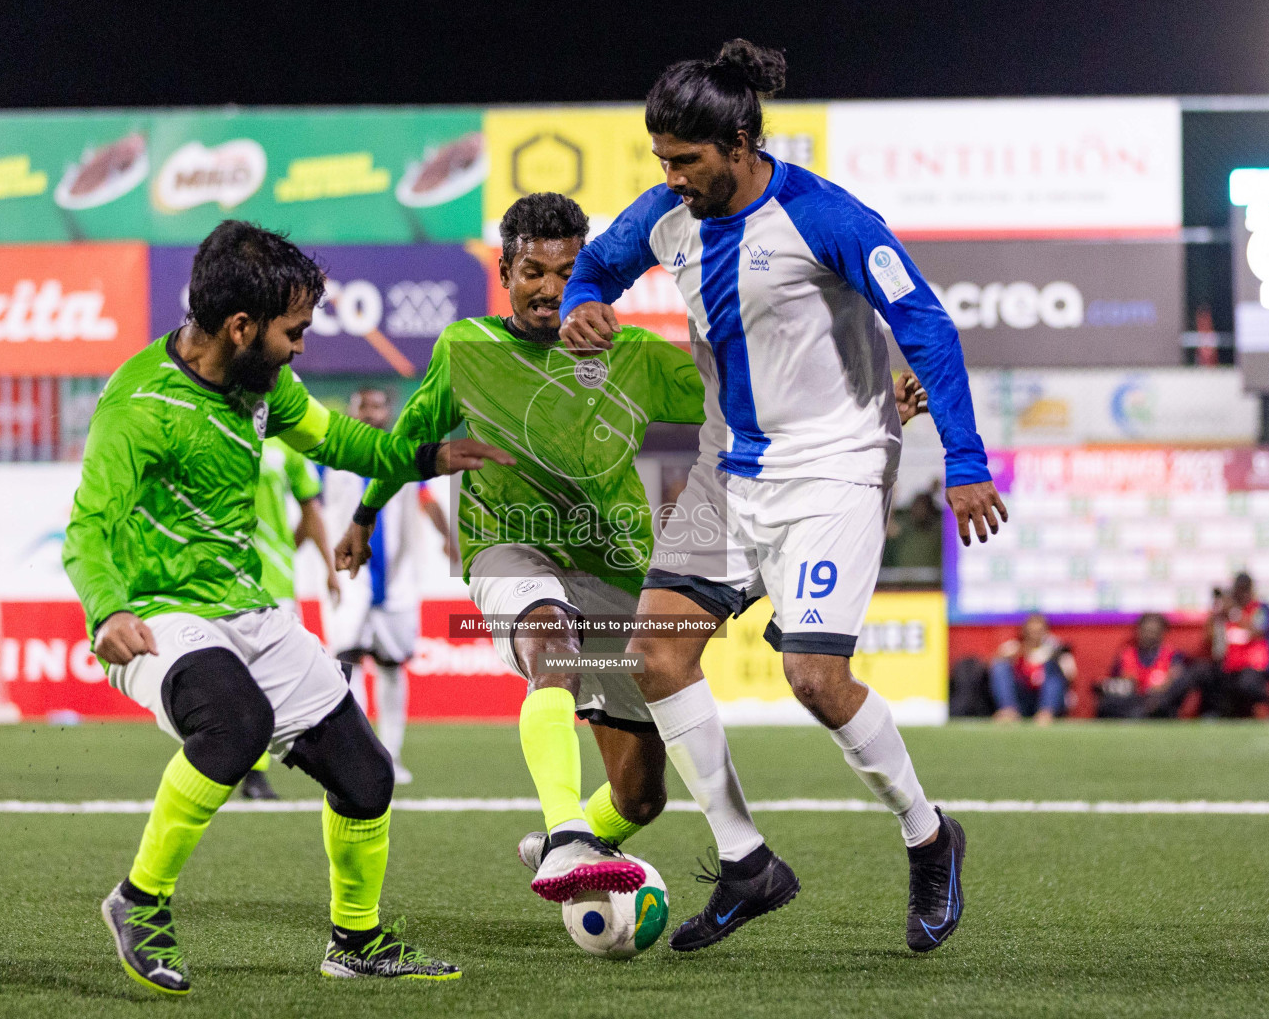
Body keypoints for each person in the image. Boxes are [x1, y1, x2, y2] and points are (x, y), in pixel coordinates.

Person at [337, 193, 937, 910]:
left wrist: (856, 410)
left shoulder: (633, 357)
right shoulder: (464, 350)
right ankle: (563, 836)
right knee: (551, 648)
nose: (550, 289)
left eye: (566, 272)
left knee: (640, 796)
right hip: (513, 548)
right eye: (533, 270)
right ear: (505, 271)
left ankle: (577, 837)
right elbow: (409, 444)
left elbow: (743, 400)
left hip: (617, 566)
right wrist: (365, 515)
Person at [556, 39, 1005, 954]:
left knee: (814, 678)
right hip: (730, 468)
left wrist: (963, 460)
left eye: (687, 160)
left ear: (742, 140)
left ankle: (929, 834)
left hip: (835, 467)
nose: (672, 176)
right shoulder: (666, 213)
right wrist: (578, 305)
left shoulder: (823, 215)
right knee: (657, 655)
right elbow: (598, 265)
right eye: (661, 160)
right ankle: (746, 860)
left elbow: (919, 317)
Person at [62, 220, 512, 993]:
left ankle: (356, 942)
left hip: (244, 607)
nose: (303, 347)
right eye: (294, 332)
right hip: (154, 616)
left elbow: (339, 440)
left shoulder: (260, 381)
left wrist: (425, 457)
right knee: (236, 724)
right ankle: (139, 901)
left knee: (367, 777)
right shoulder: (138, 408)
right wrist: (107, 613)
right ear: (241, 328)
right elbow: (87, 529)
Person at [336, 386, 457, 785]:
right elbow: (311, 506)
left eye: (377, 406)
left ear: (389, 413)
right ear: (353, 411)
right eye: (363, 406)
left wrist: (448, 537)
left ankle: (390, 755)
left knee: (391, 666)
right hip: (348, 579)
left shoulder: (404, 455)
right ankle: (353, 756)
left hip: (398, 581)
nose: (370, 414)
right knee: (345, 665)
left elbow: (426, 499)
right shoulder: (336, 458)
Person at [238, 436, 341, 800]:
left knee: (268, 681)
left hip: (274, 583)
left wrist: (329, 567)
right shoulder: (211, 427)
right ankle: (236, 767)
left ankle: (255, 773)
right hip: (217, 581)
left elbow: (310, 510)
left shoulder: (287, 446)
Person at [1202, 573, 1269, 718]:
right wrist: (1216, 613)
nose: (1242, 594)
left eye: (1245, 590)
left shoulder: (1260, 609)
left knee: (1246, 683)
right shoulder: (1226, 612)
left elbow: (1257, 631)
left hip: (1255, 666)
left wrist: (1234, 613)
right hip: (1230, 666)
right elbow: (1211, 639)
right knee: (1205, 674)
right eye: (1239, 590)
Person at [1095, 613, 1194, 719]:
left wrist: (1163, 687)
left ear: (1162, 633)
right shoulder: (1127, 654)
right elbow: (1115, 681)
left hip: (1159, 700)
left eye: (1153, 632)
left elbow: (1177, 682)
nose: (1149, 635)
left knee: (1161, 703)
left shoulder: (1173, 655)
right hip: (1133, 700)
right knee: (1107, 703)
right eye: (1145, 631)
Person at [989, 613, 1074, 724]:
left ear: (1046, 632)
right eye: (1031, 631)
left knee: (1053, 669)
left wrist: (1056, 660)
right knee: (1001, 666)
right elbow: (993, 668)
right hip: (1020, 698)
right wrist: (1016, 656)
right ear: (1024, 631)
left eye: (1039, 631)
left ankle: (1046, 713)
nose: (1035, 635)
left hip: (1045, 698)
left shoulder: (1056, 649)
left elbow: (1071, 676)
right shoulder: (1013, 647)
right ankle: (1008, 710)